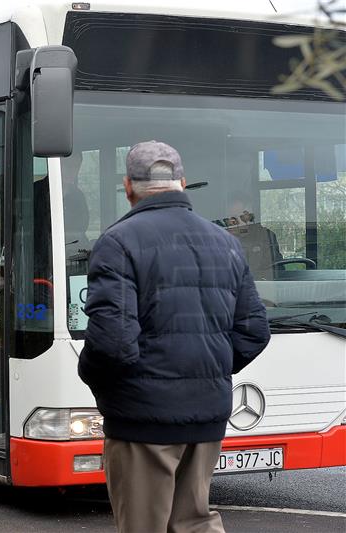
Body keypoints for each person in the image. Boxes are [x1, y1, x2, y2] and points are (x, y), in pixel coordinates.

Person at [78, 140, 270, 533]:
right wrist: (203, 369)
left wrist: (96, 382)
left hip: (141, 419)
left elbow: (111, 343)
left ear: (127, 186)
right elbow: (254, 331)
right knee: (195, 522)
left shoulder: (118, 243)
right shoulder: (227, 244)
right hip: (206, 418)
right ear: (182, 182)